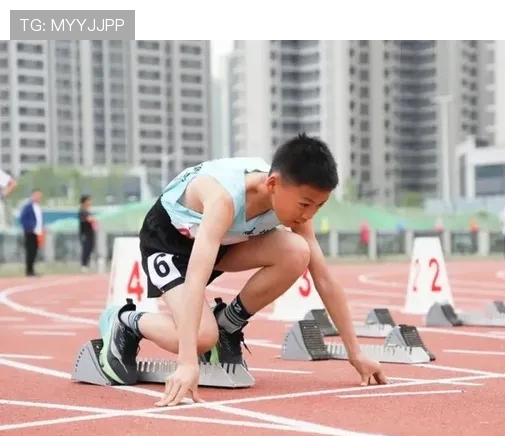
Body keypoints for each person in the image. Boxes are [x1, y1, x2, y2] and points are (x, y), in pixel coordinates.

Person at [96, 133, 389, 406]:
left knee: (299, 251)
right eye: (305, 204)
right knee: (201, 337)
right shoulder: (223, 198)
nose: (308, 214)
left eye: (318, 206)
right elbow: (197, 276)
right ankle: (125, 320)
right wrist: (187, 363)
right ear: (273, 184)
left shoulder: (292, 200)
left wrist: (356, 353)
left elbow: (323, 278)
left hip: (223, 242)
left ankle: (227, 326)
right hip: (170, 244)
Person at [18, 189, 43, 277]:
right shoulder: (28, 206)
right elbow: (22, 218)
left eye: (39, 195)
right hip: (30, 232)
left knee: (34, 251)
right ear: (32, 195)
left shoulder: (38, 207)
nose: (38, 197)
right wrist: (28, 228)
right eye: (36, 195)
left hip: (37, 232)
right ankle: (29, 270)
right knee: (30, 251)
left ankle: (32, 270)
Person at [78, 195, 97, 272]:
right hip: (84, 233)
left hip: (90, 233)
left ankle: (87, 264)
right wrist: (91, 219)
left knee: (90, 248)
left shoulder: (88, 211)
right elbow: (88, 219)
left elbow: (93, 220)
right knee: (85, 248)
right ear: (84, 202)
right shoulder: (82, 211)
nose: (89, 202)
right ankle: (84, 265)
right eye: (88, 201)